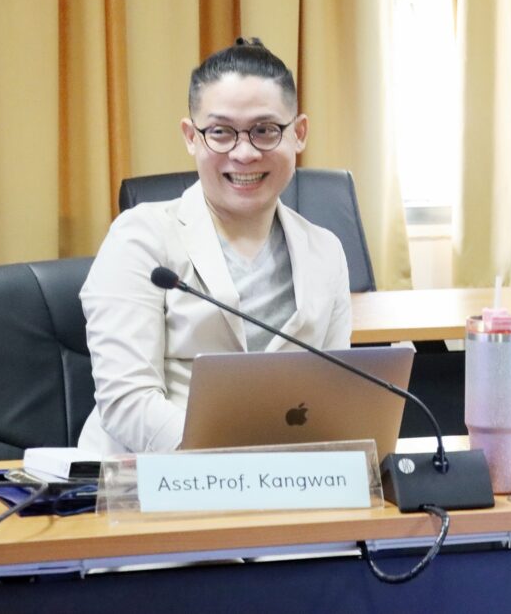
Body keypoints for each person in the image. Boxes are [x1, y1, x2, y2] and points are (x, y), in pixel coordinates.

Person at [78, 38, 352, 454]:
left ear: (298, 134)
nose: (244, 153)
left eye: (265, 130)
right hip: (153, 477)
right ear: (191, 137)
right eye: (220, 132)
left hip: (285, 479)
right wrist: (229, 466)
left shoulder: (325, 251)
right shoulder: (140, 239)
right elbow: (126, 401)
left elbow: (334, 399)